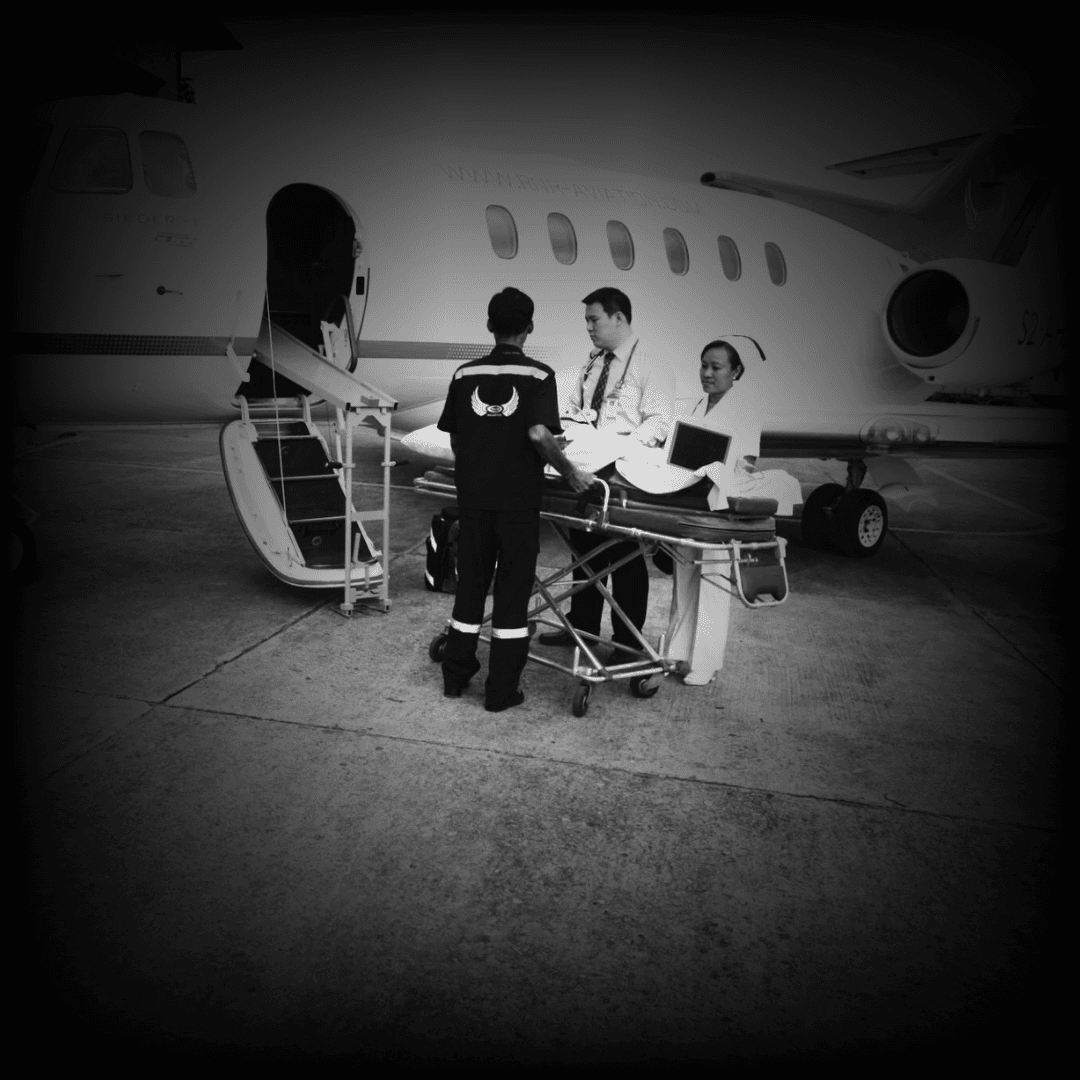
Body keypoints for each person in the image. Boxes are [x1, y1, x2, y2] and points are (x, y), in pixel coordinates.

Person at [436, 287, 594, 712]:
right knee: (510, 596)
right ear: (529, 328)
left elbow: (454, 434)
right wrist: (572, 471)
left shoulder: (464, 375)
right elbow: (540, 434)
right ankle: (500, 692)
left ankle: (455, 678)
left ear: (489, 326)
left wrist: (477, 466)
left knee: (470, 588)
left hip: (473, 500)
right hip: (518, 504)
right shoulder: (540, 377)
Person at [538, 287, 675, 669]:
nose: (588, 327)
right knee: (583, 551)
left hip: (623, 472)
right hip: (587, 471)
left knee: (624, 559)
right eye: (586, 320)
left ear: (619, 318)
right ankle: (580, 630)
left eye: (593, 319)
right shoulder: (594, 363)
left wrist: (621, 446)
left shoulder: (650, 363)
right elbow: (581, 409)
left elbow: (661, 422)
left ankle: (626, 643)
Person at [664, 337, 799, 685]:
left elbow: (747, 465)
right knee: (684, 576)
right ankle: (677, 653)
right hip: (691, 501)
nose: (707, 373)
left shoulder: (745, 410)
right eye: (703, 365)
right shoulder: (695, 405)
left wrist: (718, 471)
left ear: (735, 371)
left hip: (723, 506)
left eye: (716, 367)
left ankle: (705, 662)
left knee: (712, 578)